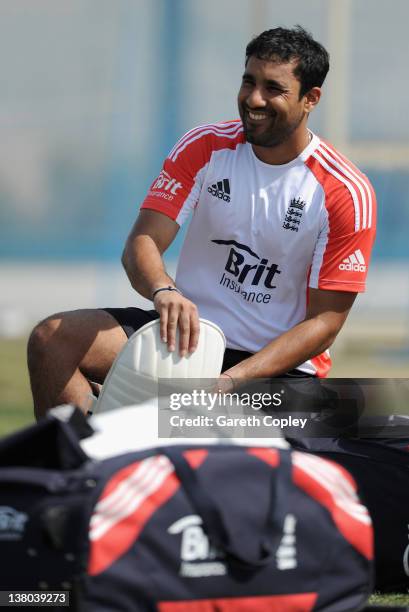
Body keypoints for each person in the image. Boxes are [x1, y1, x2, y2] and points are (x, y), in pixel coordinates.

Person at [28, 26, 376, 419]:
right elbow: (142, 240)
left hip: (276, 373)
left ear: (311, 98)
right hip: (185, 344)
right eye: (249, 81)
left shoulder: (345, 192)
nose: (254, 98)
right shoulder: (205, 145)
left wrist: (231, 380)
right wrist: (164, 292)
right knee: (52, 340)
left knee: (211, 451)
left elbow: (325, 323)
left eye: (273, 88)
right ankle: (85, 471)